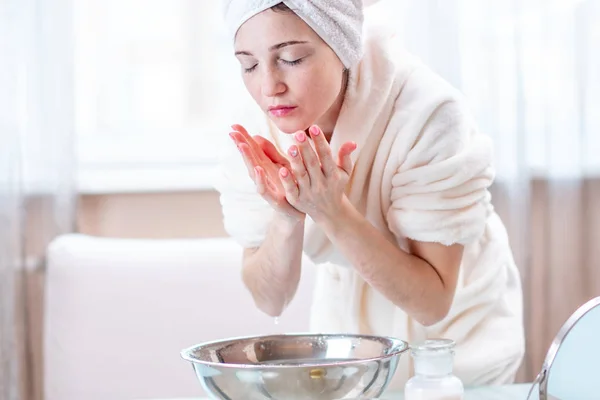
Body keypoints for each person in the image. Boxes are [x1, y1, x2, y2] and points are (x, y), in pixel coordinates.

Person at [215, 0, 525, 389]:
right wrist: (287, 217)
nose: (268, 87)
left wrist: (332, 212)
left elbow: (433, 302)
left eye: (291, 58)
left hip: (456, 348)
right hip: (350, 345)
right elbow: (270, 300)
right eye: (249, 64)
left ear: (341, 43)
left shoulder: (427, 114)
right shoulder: (251, 128)